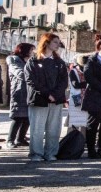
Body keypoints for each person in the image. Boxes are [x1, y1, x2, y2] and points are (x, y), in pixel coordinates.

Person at [23, 32, 68, 163]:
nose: (58, 45)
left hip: (56, 101)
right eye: (55, 42)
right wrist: (47, 94)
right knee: (37, 129)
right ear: (46, 43)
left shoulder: (59, 62)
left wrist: (55, 95)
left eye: (59, 43)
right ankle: (36, 154)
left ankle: (51, 153)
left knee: (54, 129)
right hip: (39, 100)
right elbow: (31, 80)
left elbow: (63, 81)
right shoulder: (33, 61)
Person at [5, 43, 34, 149]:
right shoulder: (14, 60)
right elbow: (20, 73)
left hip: (29, 92)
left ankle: (20, 139)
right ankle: (10, 140)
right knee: (17, 117)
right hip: (19, 91)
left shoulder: (29, 61)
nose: (32, 52)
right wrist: (35, 75)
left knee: (27, 117)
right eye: (31, 50)